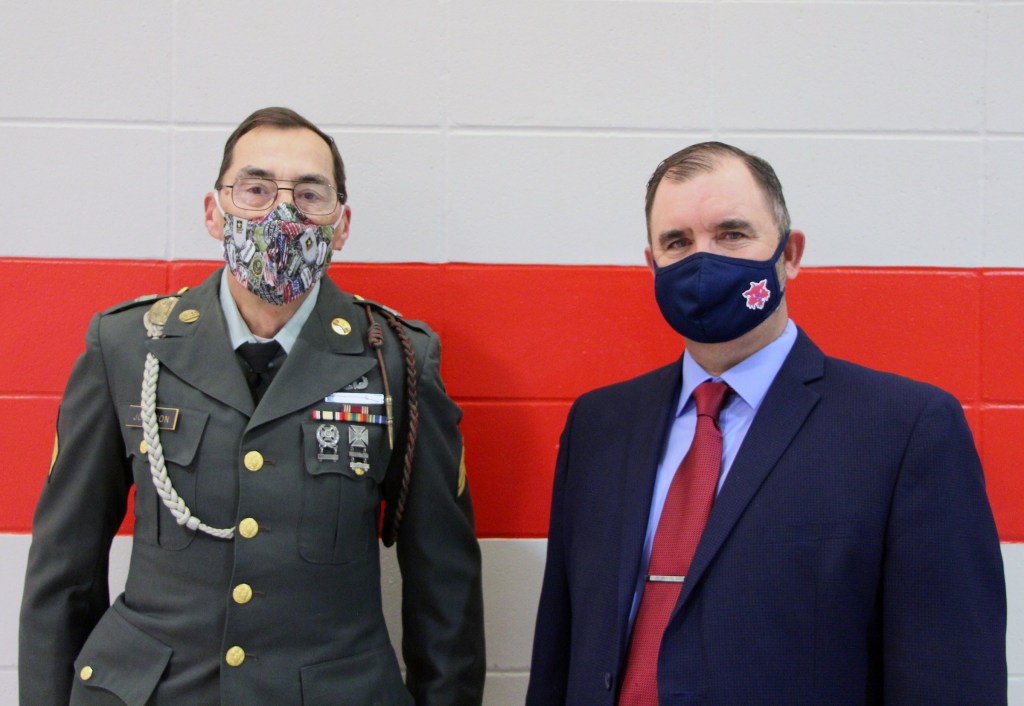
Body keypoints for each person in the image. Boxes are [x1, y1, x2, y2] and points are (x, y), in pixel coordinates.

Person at [20, 107, 485, 705]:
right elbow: (64, 568)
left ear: (342, 224)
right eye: (256, 189)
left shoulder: (397, 361)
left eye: (310, 194)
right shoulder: (129, 346)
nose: (282, 215)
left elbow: (443, 585)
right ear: (214, 212)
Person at [526, 142, 1006, 705]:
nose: (703, 262)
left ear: (789, 254)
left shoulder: (905, 429)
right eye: (678, 242)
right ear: (652, 265)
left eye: (731, 234)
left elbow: (951, 675)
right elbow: (560, 650)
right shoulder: (598, 426)